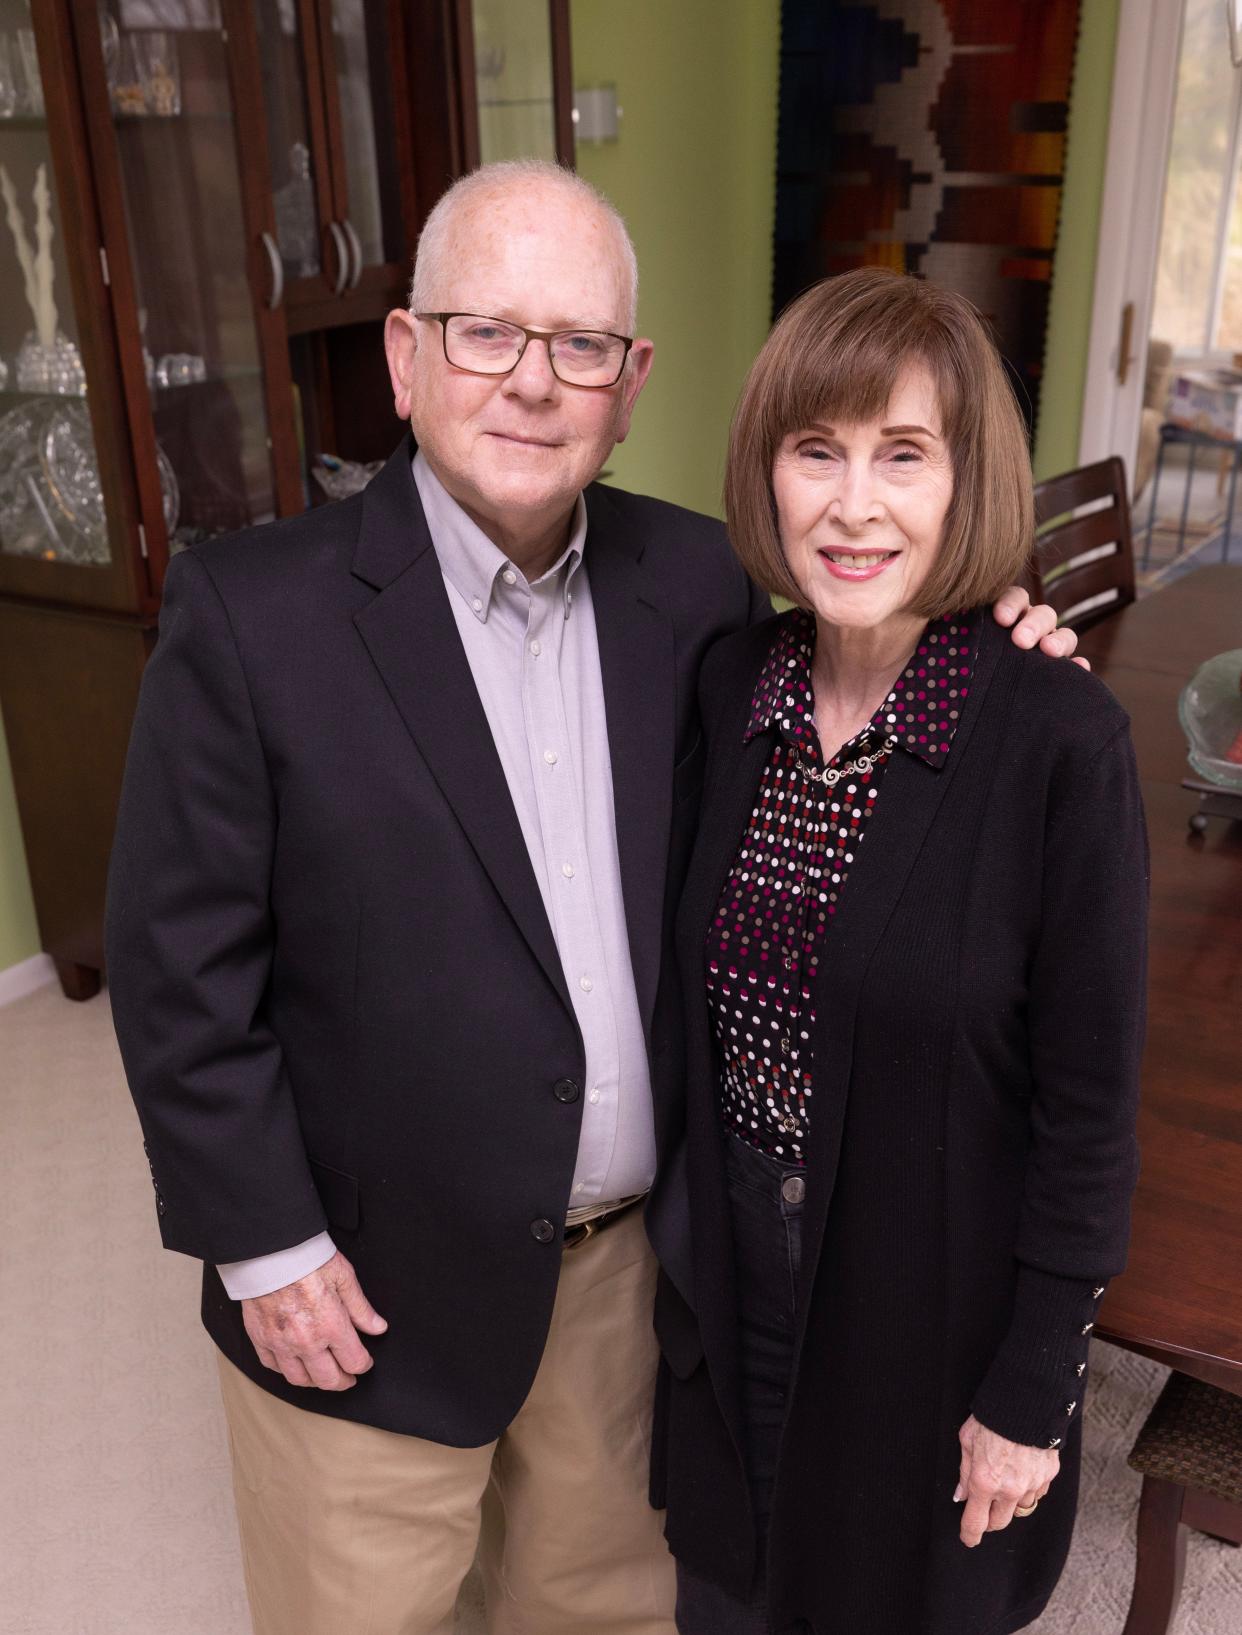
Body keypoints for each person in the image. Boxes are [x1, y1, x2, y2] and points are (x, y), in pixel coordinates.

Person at [105, 163, 1079, 1635]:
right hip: (362, 1293)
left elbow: (845, 685)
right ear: (404, 356)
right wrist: (267, 1245)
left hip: (629, 1287)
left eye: (579, 348)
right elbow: (178, 968)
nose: (531, 384)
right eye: (485, 332)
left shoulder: (690, 581)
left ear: (629, 388)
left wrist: (996, 629)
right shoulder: (251, 613)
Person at [653, 267, 1148, 1635]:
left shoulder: (1056, 740)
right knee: (729, 1601)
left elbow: (1088, 1116)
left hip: (924, 1330)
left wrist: (1030, 1392)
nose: (852, 504)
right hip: (732, 1282)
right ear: (767, 474)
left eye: (902, 455)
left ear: (964, 480)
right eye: (816, 451)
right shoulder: (726, 687)